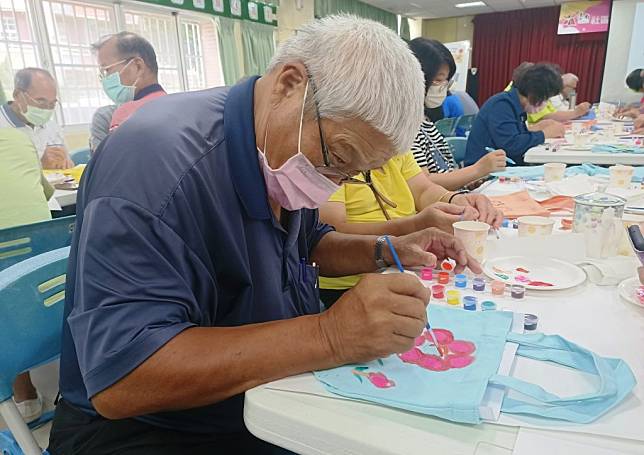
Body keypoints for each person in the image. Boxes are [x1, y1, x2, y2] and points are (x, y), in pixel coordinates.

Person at [48, 16, 481, 454]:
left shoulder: (279, 146)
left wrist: (387, 250)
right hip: (149, 428)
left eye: (355, 173)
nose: (334, 182)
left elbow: (308, 244)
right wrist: (330, 335)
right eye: (339, 158)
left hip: (255, 389)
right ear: (289, 84)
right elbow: (125, 378)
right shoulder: (154, 166)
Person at [318, 151, 503, 307]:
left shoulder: (396, 149)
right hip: (350, 282)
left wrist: (455, 201)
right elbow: (332, 232)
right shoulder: (336, 158)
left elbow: (423, 190)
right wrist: (414, 226)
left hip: (405, 263)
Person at [0, 127, 54, 423]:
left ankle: (25, 396)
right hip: (48, 277)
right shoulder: (19, 138)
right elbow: (45, 191)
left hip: (12, 299)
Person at [408, 37, 507, 191]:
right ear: (415, 78)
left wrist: (468, 179)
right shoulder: (406, 128)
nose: (443, 88)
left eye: (446, 81)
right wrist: (476, 170)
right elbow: (422, 183)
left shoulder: (426, 122)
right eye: (438, 80)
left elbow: (445, 171)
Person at [465, 63, 566, 167]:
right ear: (535, 93)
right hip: (483, 172)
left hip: (503, 165)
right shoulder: (502, 105)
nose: (545, 102)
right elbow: (511, 145)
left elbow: (514, 136)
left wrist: (537, 129)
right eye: (545, 98)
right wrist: (544, 134)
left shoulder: (514, 105)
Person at [92, 32, 166, 133]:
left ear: (138, 66)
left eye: (107, 70)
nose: (104, 79)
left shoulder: (126, 115)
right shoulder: (178, 106)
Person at [0, 68, 73, 169]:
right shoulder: (3, 125)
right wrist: (39, 165)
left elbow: (68, 164)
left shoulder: (52, 127)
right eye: (41, 102)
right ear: (17, 95)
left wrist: (67, 164)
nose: (47, 109)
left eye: (52, 104)